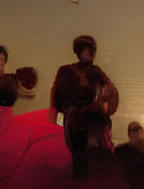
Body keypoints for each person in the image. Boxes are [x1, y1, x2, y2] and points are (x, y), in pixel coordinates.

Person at [48, 34, 119, 175]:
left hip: (96, 118)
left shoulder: (97, 72)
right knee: (79, 155)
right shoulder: (66, 71)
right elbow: (56, 97)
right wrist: (52, 122)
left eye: (89, 50)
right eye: (84, 49)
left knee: (102, 155)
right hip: (75, 119)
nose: (87, 53)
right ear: (78, 52)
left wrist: (100, 105)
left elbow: (111, 94)